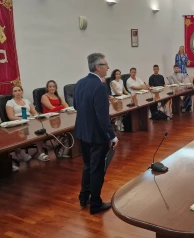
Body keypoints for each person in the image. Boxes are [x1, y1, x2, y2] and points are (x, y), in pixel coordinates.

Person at [73, 53, 118, 214]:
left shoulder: (79, 83)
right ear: (98, 67)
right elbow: (102, 116)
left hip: (82, 132)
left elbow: (76, 106)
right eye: (106, 65)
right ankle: (96, 204)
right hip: (96, 135)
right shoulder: (99, 86)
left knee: (87, 166)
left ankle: (84, 197)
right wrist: (112, 135)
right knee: (97, 169)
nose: (108, 67)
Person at [6, 86, 49, 162]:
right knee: (17, 135)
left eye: (19, 90)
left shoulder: (26, 101)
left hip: (29, 120)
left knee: (38, 131)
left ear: (22, 91)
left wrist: (35, 116)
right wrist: (23, 119)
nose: (17, 92)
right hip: (18, 122)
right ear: (12, 93)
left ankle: (40, 153)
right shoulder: (10, 102)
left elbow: (34, 112)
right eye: (15, 91)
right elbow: (11, 117)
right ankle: (21, 153)